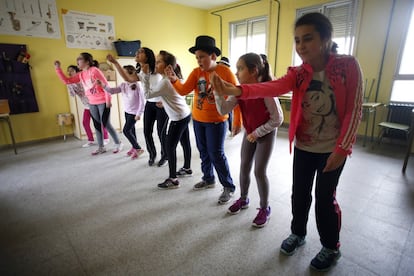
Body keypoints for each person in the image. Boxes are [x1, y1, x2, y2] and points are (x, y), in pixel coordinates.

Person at [211, 12, 363, 271]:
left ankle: (330, 246)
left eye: (308, 39)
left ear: (326, 39)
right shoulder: (299, 73)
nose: (301, 46)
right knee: (300, 194)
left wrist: (342, 148)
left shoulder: (347, 66)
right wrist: (235, 90)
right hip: (304, 146)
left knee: (325, 198)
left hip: (332, 150)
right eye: (297, 40)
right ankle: (298, 233)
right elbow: (269, 87)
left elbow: (353, 109)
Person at [166, 35, 242, 204]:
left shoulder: (225, 72)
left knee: (216, 154)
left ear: (213, 56)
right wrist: (174, 80)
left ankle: (228, 186)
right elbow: (184, 90)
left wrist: (237, 121)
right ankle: (208, 178)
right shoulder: (196, 72)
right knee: (203, 151)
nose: (199, 61)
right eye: (197, 57)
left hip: (217, 121)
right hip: (198, 120)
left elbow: (237, 96)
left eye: (202, 57)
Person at [215, 53, 283, 227]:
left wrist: (258, 132)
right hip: (250, 133)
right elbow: (223, 110)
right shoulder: (239, 91)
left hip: (265, 133)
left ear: (253, 70)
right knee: (244, 166)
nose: (236, 73)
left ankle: (264, 208)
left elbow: (277, 119)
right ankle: (243, 199)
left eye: (240, 68)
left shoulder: (266, 91)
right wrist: (217, 91)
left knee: (259, 171)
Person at [107, 48, 168, 167]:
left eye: (140, 52)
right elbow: (127, 79)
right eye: (137, 52)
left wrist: (165, 99)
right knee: (147, 132)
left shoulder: (157, 68)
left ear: (148, 55)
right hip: (150, 104)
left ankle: (165, 156)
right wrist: (115, 63)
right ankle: (152, 155)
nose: (137, 53)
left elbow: (168, 82)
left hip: (162, 104)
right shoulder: (139, 71)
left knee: (161, 132)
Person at [54, 52, 123, 155]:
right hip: (91, 103)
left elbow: (106, 85)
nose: (77, 60)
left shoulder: (94, 71)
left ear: (87, 62)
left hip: (103, 101)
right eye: (77, 58)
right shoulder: (81, 74)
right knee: (97, 125)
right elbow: (67, 81)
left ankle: (118, 143)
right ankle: (101, 147)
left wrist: (108, 101)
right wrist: (58, 68)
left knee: (106, 124)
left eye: (80, 59)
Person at [142, 50, 192, 189]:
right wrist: (164, 101)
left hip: (178, 118)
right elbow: (174, 94)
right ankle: (187, 168)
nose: (155, 64)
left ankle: (173, 179)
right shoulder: (173, 77)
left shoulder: (165, 82)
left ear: (167, 65)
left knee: (169, 147)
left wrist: (145, 76)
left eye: (159, 62)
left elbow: (147, 95)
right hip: (185, 113)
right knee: (185, 142)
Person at [99, 65, 145, 159]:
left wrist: (139, 114)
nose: (122, 75)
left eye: (124, 73)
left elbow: (142, 101)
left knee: (126, 130)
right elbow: (112, 91)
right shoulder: (123, 84)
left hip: (134, 112)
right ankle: (134, 147)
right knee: (131, 130)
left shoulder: (138, 85)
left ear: (131, 73)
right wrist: (103, 85)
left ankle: (138, 148)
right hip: (127, 111)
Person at [66, 65, 110, 148]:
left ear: (77, 71)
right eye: (68, 71)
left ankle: (106, 138)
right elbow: (72, 94)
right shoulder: (72, 83)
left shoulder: (82, 78)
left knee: (99, 122)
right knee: (85, 122)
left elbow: (89, 88)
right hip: (87, 105)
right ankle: (90, 140)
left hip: (94, 103)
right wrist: (69, 85)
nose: (69, 72)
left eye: (71, 70)